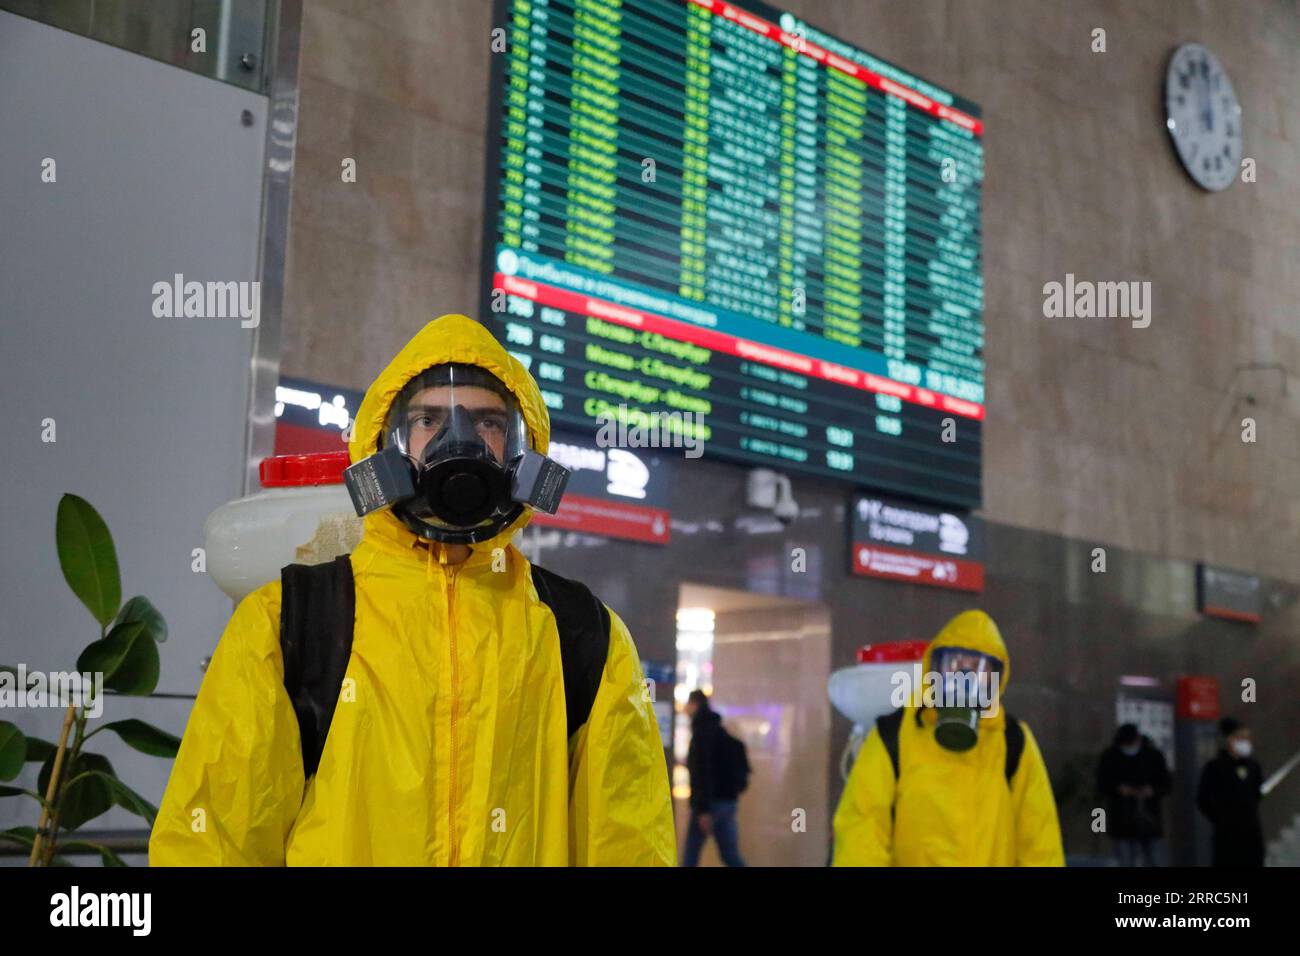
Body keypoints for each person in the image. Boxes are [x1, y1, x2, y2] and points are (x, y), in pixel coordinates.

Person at [150, 313, 676, 865]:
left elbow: (628, 846)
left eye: (488, 423)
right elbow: (212, 844)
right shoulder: (289, 622)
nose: (461, 441)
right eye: (429, 419)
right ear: (384, 444)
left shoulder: (583, 634)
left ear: (523, 452)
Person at [832, 610, 1064, 866]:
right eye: (955, 664)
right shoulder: (894, 736)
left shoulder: (1013, 742)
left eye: (977, 668)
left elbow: (1040, 840)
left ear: (995, 678)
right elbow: (862, 829)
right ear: (935, 669)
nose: (965, 678)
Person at [682, 690, 748, 867]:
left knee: (690, 857)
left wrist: (702, 809)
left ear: (695, 704)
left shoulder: (701, 734)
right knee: (730, 855)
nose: (686, 709)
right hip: (727, 802)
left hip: (709, 804)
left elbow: (701, 772)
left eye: (688, 704)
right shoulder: (718, 731)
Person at [1096, 723, 1171, 866]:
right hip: (1122, 819)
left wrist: (1152, 791)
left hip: (1149, 819)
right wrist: (1119, 789)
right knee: (1126, 860)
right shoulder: (1111, 756)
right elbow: (1102, 784)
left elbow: (1166, 784)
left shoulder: (1153, 756)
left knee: (1155, 858)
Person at [1197, 716, 1265, 867]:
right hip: (1226, 834)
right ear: (1229, 739)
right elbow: (1202, 799)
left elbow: (1257, 793)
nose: (1245, 742)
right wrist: (1220, 817)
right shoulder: (1215, 767)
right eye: (1240, 738)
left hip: (1251, 831)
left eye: (1247, 739)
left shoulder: (1253, 766)